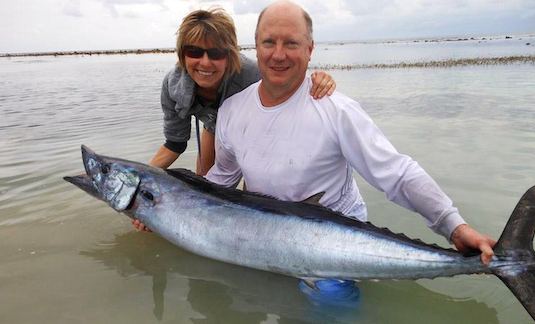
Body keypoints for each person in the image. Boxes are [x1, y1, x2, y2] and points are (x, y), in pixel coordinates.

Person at [205, 0, 495, 303]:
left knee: (332, 306)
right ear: (256, 47)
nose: (278, 54)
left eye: (291, 43)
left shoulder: (336, 110)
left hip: (334, 245)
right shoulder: (232, 110)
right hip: (261, 238)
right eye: (269, 42)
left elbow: (396, 174)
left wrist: (454, 227)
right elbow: (221, 179)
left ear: (310, 50)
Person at [133, 7, 336, 231]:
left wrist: (318, 79)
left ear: (229, 55)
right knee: (205, 185)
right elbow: (175, 143)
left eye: (216, 53)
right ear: (182, 55)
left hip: (257, 130)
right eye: (194, 52)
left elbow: (290, 80)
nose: (205, 62)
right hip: (212, 124)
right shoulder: (173, 85)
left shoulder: (252, 75)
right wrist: (137, 183)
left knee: (257, 193)